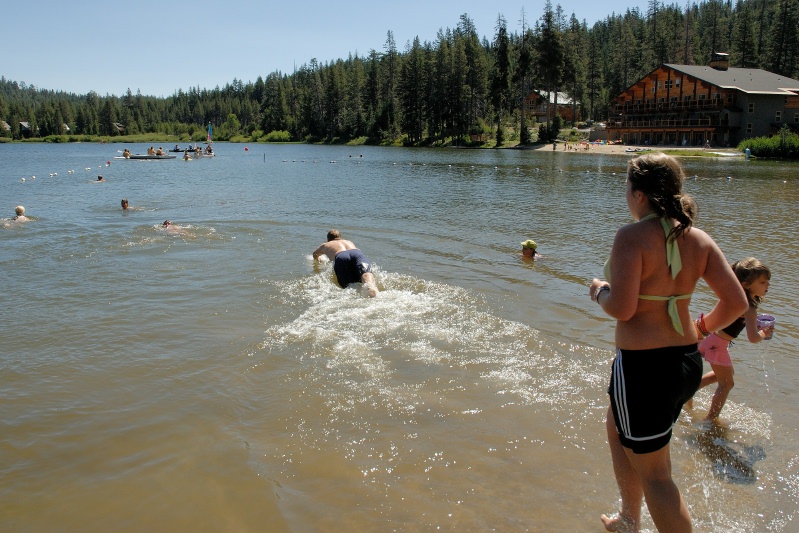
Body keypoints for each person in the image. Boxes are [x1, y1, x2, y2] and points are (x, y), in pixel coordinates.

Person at [589, 153, 747, 533]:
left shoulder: (631, 236)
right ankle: (629, 517)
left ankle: (640, 518)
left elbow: (623, 309)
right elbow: (737, 302)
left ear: (639, 194)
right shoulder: (698, 238)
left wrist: (600, 292)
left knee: (657, 475)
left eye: (627, 188)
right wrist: (703, 328)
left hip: (644, 369)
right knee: (616, 427)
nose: (625, 195)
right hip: (686, 363)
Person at [693, 257, 772, 421]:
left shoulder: (736, 299)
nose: (768, 285)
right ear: (746, 285)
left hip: (712, 341)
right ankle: (710, 420)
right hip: (717, 346)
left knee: (721, 376)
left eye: (767, 281)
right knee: (727, 384)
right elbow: (753, 338)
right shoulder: (749, 308)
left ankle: (689, 391)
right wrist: (764, 333)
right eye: (763, 282)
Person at [312, 229, 379, 297]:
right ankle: (371, 288)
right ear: (340, 237)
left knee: (349, 286)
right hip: (357, 254)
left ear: (328, 239)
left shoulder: (325, 244)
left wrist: (318, 260)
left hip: (340, 256)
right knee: (365, 275)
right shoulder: (348, 241)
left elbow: (315, 254)